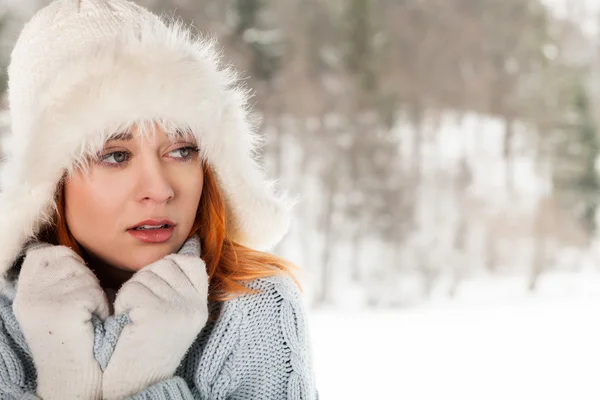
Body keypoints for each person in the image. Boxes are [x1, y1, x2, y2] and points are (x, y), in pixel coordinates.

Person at [0, 0, 317, 399]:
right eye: (116, 155)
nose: (161, 188)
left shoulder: (254, 304)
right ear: (49, 182)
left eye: (182, 150)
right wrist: (67, 376)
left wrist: (143, 378)